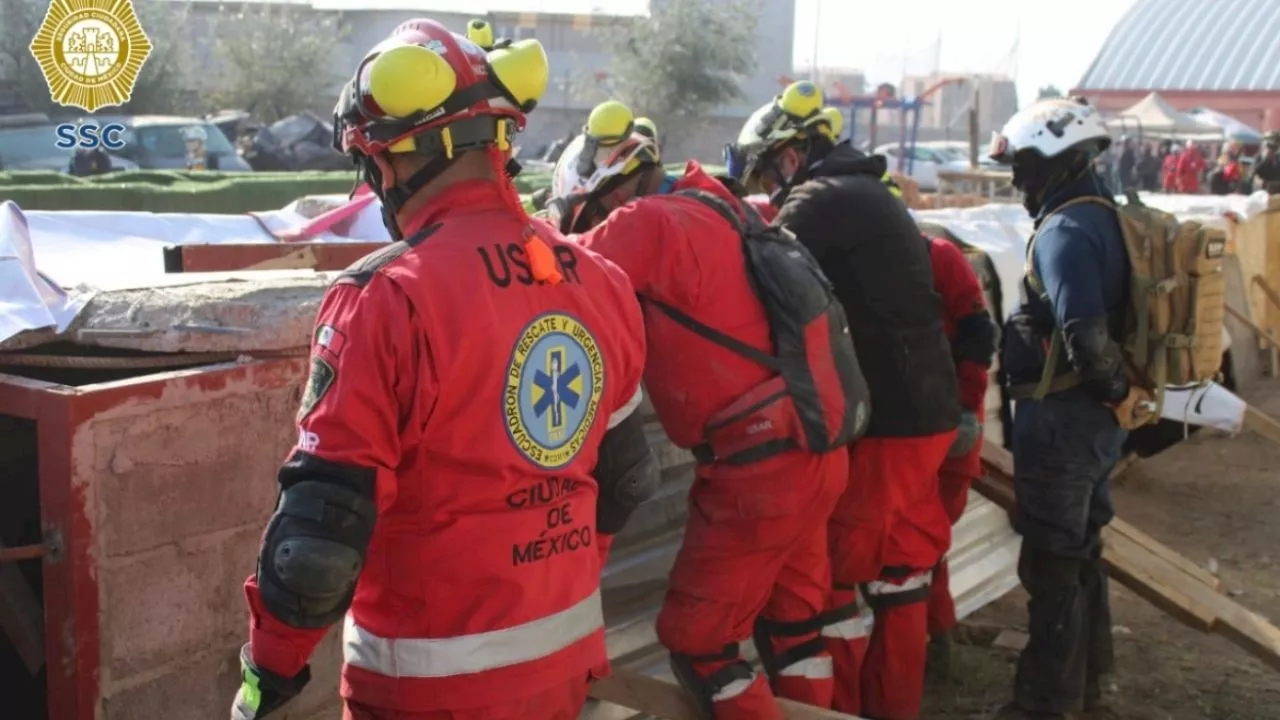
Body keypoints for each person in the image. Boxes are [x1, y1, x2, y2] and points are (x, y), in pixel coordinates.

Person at [229, 20, 656, 720]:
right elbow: (627, 475)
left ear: (391, 164)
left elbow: (317, 543)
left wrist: (264, 681)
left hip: (426, 692)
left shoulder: (386, 297)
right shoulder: (599, 279)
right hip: (564, 671)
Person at [550, 99, 860, 718]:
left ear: (605, 194)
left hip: (759, 470)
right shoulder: (720, 202)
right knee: (795, 627)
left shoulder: (643, 223)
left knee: (699, 644)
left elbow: (552, 268)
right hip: (814, 444)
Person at [729, 81, 961, 720]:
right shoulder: (866, 193)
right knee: (900, 572)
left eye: (767, 171)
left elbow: (757, 261)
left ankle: (846, 710)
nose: (770, 184)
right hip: (928, 406)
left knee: (830, 577)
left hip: (889, 418)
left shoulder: (822, 198)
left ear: (790, 155)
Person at [989, 96, 1130, 719]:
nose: (1018, 180)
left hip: (1065, 422)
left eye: (1024, 165)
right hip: (1092, 423)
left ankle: (1042, 706)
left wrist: (1108, 391)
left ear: (1055, 160)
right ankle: (1089, 687)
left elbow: (1089, 338)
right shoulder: (1106, 216)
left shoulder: (1066, 231)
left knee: (1051, 564)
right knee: (1082, 553)